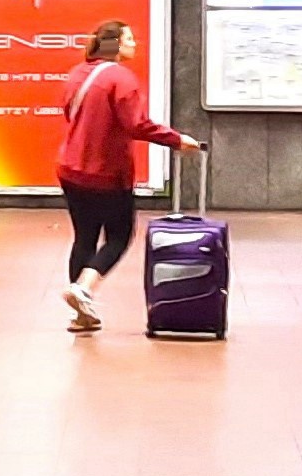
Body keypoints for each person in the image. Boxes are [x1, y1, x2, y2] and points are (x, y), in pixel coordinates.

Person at [53, 19, 200, 329]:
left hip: (71, 169)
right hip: (107, 173)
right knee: (119, 237)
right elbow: (137, 125)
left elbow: (68, 112)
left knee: (84, 237)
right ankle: (83, 289)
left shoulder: (78, 74)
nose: (135, 44)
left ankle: (81, 313)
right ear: (116, 45)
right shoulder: (121, 79)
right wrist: (176, 139)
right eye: (130, 39)